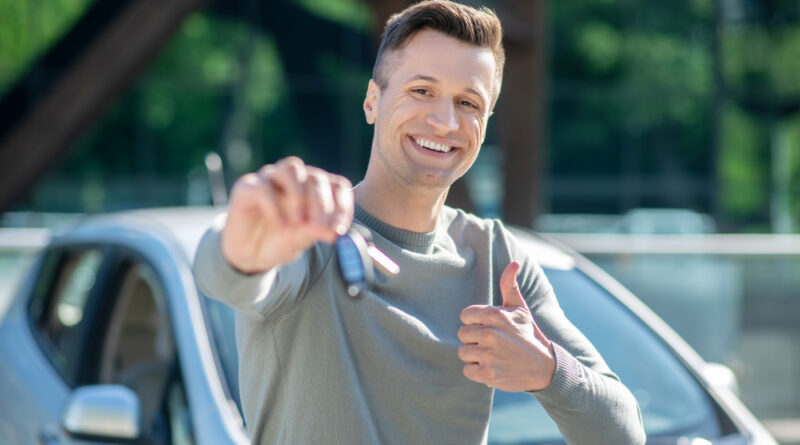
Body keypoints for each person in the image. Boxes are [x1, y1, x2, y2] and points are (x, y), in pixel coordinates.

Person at [193, 1, 645, 443]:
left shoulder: (498, 259)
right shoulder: (312, 237)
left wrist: (549, 372)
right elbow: (225, 278)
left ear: (485, 124)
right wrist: (244, 244)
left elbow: (624, 433)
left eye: (468, 102)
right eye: (422, 91)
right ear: (373, 101)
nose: (444, 121)